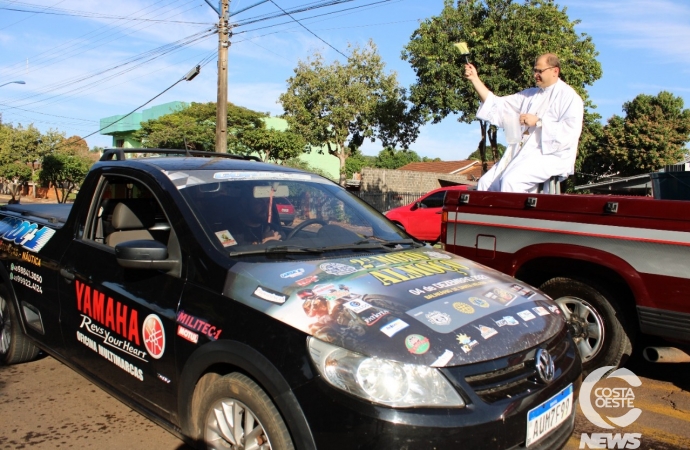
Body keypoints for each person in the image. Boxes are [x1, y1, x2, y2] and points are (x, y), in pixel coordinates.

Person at [464, 53, 584, 193]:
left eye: (540, 71)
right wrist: (475, 79)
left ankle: (511, 215)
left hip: (550, 156)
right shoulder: (530, 95)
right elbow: (498, 104)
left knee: (511, 180)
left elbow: (570, 131)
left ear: (555, 71)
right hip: (521, 154)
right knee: (485, 183)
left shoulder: (570, 97)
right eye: (535, 70)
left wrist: (539, 122)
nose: (535, 75)